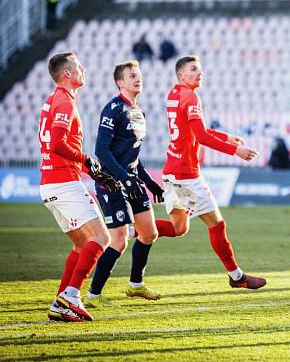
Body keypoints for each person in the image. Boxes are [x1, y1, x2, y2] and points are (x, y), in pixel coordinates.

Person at [158, 56, 266, 289]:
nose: (200, 73)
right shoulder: (191, 96)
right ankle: (237, 276)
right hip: (187, 174)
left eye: (200, 69)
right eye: (193, 69)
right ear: (181, 75)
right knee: (217, 225)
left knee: (178, 228)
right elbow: (202, 137)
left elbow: (197, 129)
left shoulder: (173, 95)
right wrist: (235, 150)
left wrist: (226, 136)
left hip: (170, 170)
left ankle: (127, 231)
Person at [39, 52, 118, 322]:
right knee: (102, 238)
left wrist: (92, 171)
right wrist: (86, 160)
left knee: (81, 244)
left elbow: (60, 148)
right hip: (64, 184)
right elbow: (58, 145)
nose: (83, 69)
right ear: (67, 74)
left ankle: (61, 301)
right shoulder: (64, 102)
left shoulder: (53, 100)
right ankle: (71, 296)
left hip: (50, 184)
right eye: (78, 66)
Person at [86, 61, 173, 308]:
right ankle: (93, 296)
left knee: (149, 233)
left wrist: (149, 182)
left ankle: (135, 286)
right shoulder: (112, 109)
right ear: (120, 82)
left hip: (131, 181)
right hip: (112, 184)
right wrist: (124, 178)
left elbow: (133, 156)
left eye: (139, 75)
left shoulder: (139, 112)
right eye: (132, 76)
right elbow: (101, 150)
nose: (138, 79)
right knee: (120, 240)